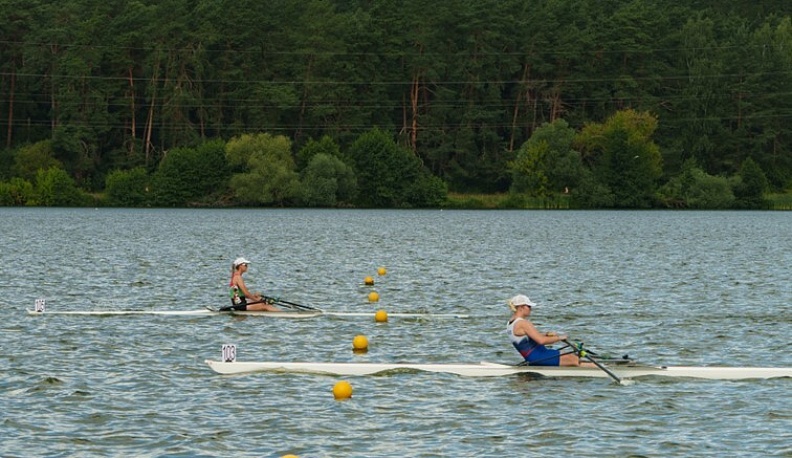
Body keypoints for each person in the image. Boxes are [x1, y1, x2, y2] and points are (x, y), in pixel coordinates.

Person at [506, 294, 594, 367]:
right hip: (539, 357)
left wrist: (546, 334)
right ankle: (602, 370)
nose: (531, 309)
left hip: (536, 355)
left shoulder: (511, 322)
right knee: (573, 359)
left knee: (570, 356)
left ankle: (595, 366)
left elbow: (528, 337)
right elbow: (541, 341)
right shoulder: (523, 323)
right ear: (521, 307)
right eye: (529, 306)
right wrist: (559, 337)